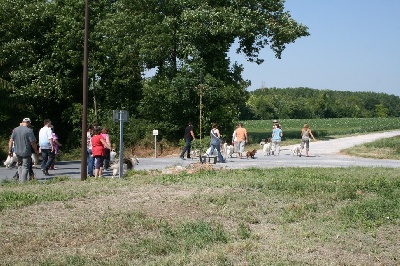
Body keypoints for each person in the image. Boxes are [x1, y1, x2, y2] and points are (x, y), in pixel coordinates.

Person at [8, 118, 39, 182]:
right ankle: (23, 181)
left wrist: (10, 150)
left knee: (19, 165)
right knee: (25, 166)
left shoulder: (15, 130)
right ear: (28, 123)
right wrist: (36, 150)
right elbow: (32, 142)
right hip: (26, 151)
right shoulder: (29, 131)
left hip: (17, 151)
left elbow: (11, 140)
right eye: (30, 123)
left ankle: (20, 180)